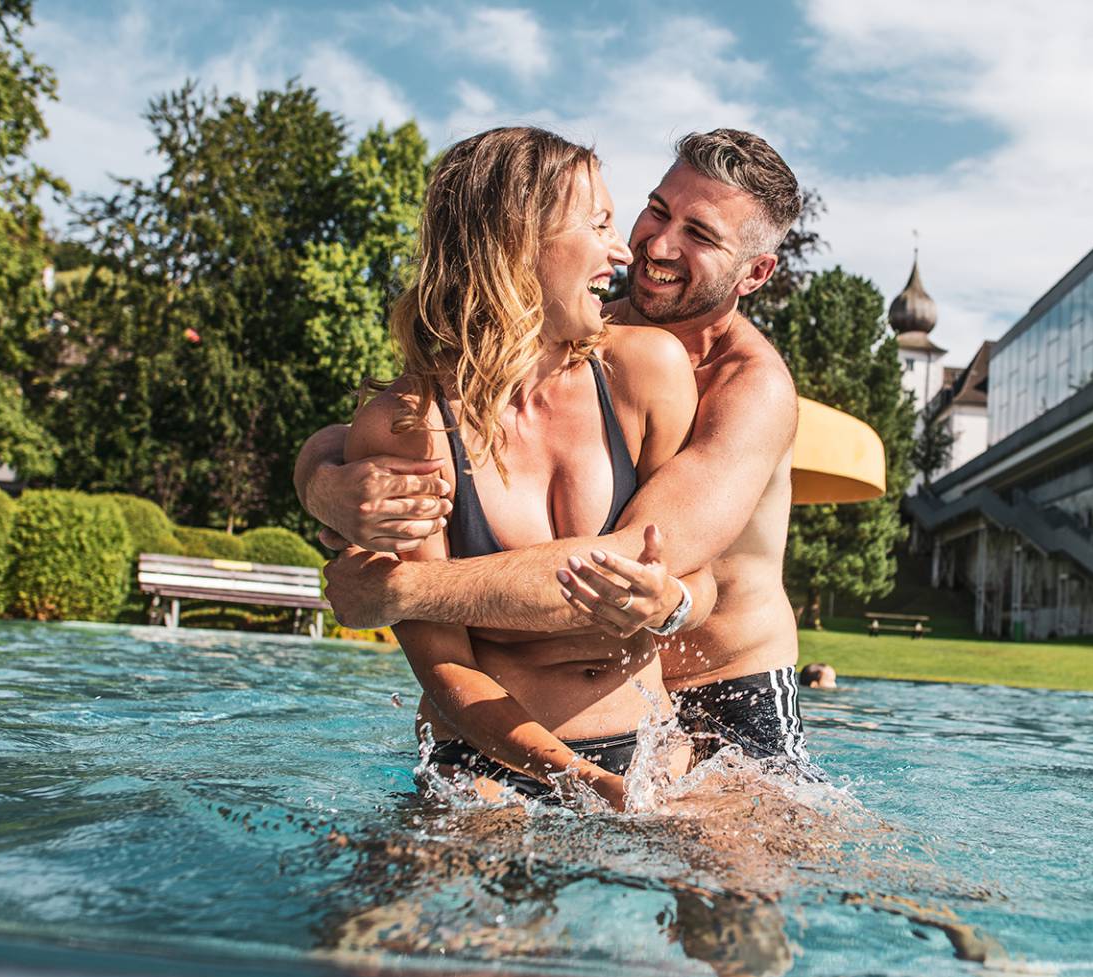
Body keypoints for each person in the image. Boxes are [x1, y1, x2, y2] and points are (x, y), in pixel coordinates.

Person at [298, 129, 818, 775]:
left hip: (724, 678)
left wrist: (401, 590)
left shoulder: (750, 387)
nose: (656, 245)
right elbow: (414, 411)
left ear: (756, 272)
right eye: (657, 210)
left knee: (753, 870)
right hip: (541, 709)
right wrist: (322, 476)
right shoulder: (583, 327)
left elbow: (623, 562)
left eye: (701, 236)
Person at [350, 126, 706, 810]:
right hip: (481, 760)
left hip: (651, 754)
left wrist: (673, 605)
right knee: (393, 913)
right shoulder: (411, 428)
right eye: (598, 223)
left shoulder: (644, 372)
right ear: (519, 242)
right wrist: (584, 782)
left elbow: (700, 576)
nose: (619, 250)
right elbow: (446, 669)